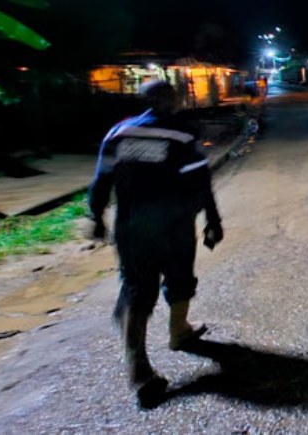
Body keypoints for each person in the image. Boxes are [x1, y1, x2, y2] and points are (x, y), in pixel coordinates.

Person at [87, 80, 224, 402]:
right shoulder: (183, 135)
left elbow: (101, 179)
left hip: (132, 226)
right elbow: (201, 182)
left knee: (136, 290)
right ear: (174, 101)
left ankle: (139, 368)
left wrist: (95, 216)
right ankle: (178, 332)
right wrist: (213, 221)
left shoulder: (118, 133)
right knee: (180, 278)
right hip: (174, 225)